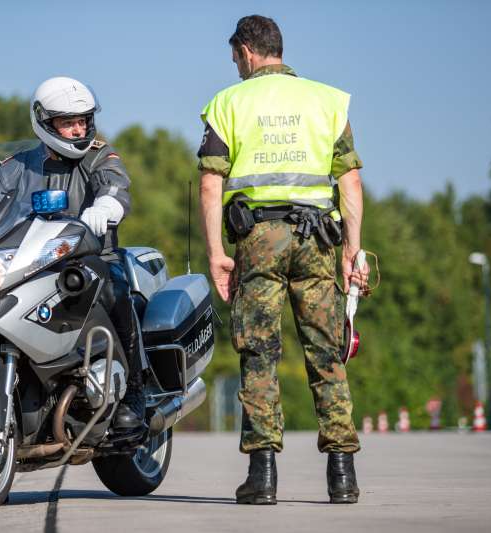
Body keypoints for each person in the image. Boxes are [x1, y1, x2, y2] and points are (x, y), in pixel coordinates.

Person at [197, 15, 369, 505]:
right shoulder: (328, 101)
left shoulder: (228, 103)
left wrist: (216, 256)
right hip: (318, 238)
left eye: (235, 58)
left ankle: (263, 475)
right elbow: (349, 183)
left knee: (259, 354)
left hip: (258, 240)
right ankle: (342, 475)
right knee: (326, 353)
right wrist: (351, 252)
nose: (235, 67)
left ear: (247, 51)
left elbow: (212, 184)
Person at [0, 76, 145, 429]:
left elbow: (115, 185)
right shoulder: (15, 166)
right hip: (28, 264)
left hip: (91, 257)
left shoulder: (98, 155)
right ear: (45, 124)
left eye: (82, 121)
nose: (78, 130)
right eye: (68, 123)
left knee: (115, 286)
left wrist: (106, 206)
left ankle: (136, 391)